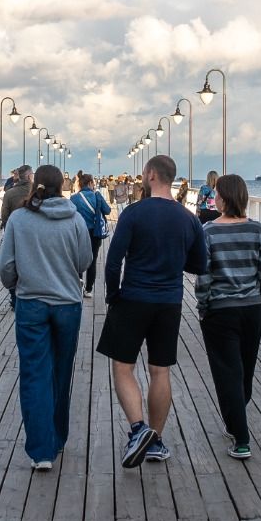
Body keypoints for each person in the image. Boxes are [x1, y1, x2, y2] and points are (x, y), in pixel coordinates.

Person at [99, 154, 208, 467]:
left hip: (133, 297)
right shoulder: (188, 219)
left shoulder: (134, 213)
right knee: (160, 370)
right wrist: (173, 264)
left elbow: (113, 260)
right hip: (169, 301)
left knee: (123, 367)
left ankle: (137, 429)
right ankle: (156, 441)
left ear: (149, 175)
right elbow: (200, 265)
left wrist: (113, 295)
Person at [0, 165, 92, 471]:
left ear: (35, 184)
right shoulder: (74, 218)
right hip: (67, 304)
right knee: (61, 373)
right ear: (62, 186)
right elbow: (84, 260)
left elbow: (5, 264)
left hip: (31, 303)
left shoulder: (20, 219)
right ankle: (58, 437)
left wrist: (16, 284)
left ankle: (41, 450)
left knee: (35, 373)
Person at [196, 174, 261, 459]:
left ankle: (241, 439)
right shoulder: (257, 230)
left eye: (216, 194)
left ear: (225, 199)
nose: (213, 198)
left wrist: (203, 305)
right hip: (253, 309)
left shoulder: (209, 231)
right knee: (245, 370)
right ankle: (235, 420)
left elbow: (204, 275)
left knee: (228, 372)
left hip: (221, 311)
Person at [71, 172, 111, 297]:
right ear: (90, 183)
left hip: (79, 232)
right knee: (92, 261)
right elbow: (108, 211)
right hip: (95, 232)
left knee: (78, 260)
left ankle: (78, 287)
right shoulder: (97, 196)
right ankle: (88, 289)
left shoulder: (74, 198)